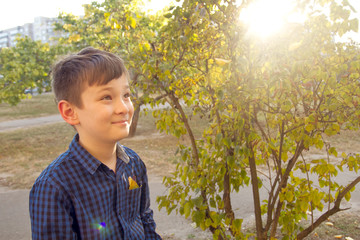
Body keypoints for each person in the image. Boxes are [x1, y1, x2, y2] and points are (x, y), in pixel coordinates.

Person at [29, 47, 162, 239]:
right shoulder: (54, 187)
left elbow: (144, 219)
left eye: (126, 95)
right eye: (106, 97)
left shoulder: (134, 163)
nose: (123, 108)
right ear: (70, 112)